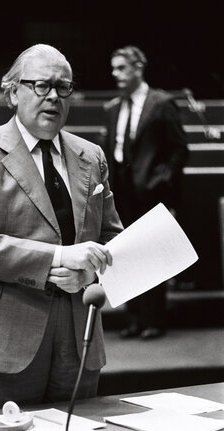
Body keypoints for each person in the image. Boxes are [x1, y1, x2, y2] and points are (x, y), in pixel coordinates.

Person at [0, 43, 123, 409]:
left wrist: (89, 276)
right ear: (13, 92)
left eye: (64, 87)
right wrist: (61, 257)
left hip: (79, 337)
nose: (54, 97)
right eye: (42, 86)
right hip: (7, 334)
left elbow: (111, 241)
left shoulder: (91, 156)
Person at [104, 45, 189, 340]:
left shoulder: (161, 103)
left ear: (138, 68)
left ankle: (154, 319)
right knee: (127, 256)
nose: (115, 74)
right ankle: (134, 318)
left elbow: (179, 150)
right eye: (113, 68)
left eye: (121, 68)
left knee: (152, 256)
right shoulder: (113, 108)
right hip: (122, 192)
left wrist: (161, 181)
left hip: (151, 192)